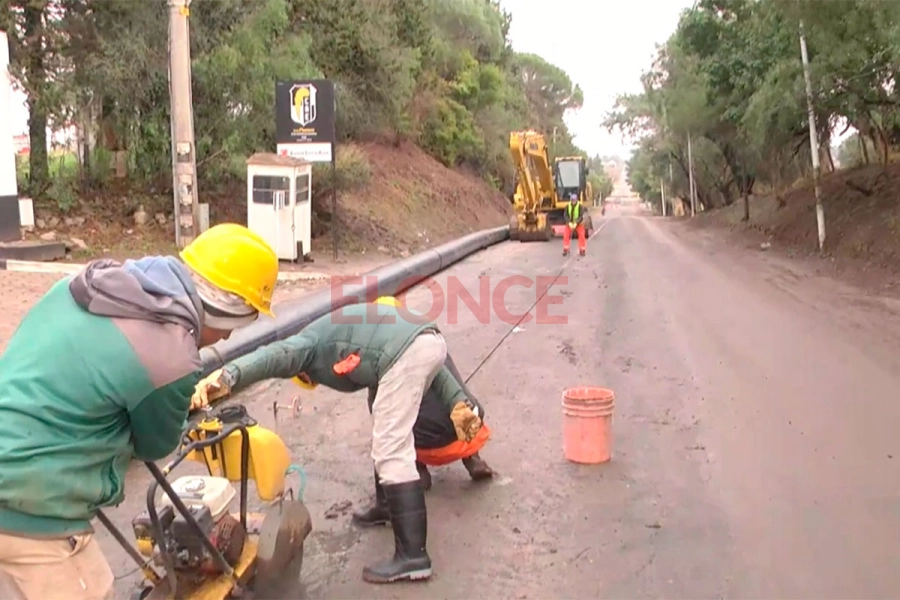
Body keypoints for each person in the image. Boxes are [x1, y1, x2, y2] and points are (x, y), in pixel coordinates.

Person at [0, 223, 279, 600]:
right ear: (225, 308)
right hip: (27, 503)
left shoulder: (80, 286)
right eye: (237, 323)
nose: (227, 337)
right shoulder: (171, 358)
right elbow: (154, 444)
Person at [190, 296, 485, 584]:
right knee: (385, 434)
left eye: (308, 378)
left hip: (408, 349)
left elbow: (271, 355)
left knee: (392, 452)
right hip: (427, 338)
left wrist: (228, 375)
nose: (313, 381)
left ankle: (413, 558)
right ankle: (386, 507)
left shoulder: (308, 343)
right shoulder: (356, 335)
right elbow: (425, 352)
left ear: (302, 370)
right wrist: (457, 400)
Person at [351, 298, 494, 529]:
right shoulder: (429, 338)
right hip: (467, 435)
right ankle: (472, 457)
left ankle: (412, 475)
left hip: (429, 445)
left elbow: (383, 419)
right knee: (460, 400)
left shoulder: (380, 356)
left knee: (386, 423)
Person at [562, 192, 587, 257]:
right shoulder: (567, 206)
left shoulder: (580, 206)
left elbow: (581, 216)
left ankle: (582, 250)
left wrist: (576, 222)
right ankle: (566, 249)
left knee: (582, 236)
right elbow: (565, 215)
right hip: (570, 223)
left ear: (576, 200)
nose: (573, 201)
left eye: (574, 200)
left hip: (579, 224)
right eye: (572, 200)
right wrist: (569, 222)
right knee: (566, 235)